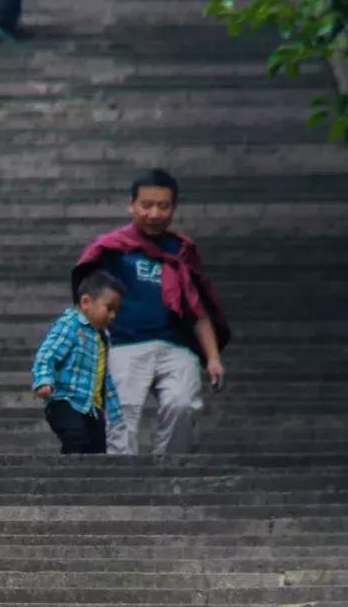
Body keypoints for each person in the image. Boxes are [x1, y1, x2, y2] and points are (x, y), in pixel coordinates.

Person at [73, 170, 229, 458]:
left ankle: (167, 473)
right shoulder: (112, 249)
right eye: (146, 205)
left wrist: (213, 358)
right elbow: (88, 299)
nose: (154, 213)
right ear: (131, 205)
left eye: (163, 206)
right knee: (123, 416)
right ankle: (121, 482)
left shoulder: (182, 251)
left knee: (182, 405)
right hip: (124, 343)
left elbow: (197, 308)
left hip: (175, 346)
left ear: (174, 208)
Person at [32, 271, 123, 455]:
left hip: (91, 408)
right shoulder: (70, 324)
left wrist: (115, 411)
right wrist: (43, 380)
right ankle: (68, 476)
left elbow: (104, 377)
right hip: (65, 401)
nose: (113, 316)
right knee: (75, 436)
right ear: (86, 302)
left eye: (116, 310)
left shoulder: (102, 336)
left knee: (97, 448)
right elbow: (47, 354)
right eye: (109, 308)